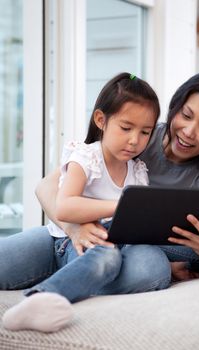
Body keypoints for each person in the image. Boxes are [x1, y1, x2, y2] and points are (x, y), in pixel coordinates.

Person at [35, 69, 199, 279]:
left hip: (135, 254)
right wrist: (73, 229)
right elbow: (46, 187)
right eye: (186, 115)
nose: (189, 131)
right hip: (85, 240)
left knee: (148, 268)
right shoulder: (139, 138)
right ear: (175, 108)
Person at [1, 72, 163, 332]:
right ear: (101, 119)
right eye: (126, 128)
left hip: (99, 249)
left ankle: (42, 298)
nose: (135, 140)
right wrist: (124, 205)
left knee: (120, 261)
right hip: (58, 240)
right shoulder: (87, 156)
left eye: (145, 132)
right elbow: (65, 207)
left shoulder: (138, 170)